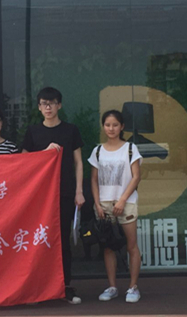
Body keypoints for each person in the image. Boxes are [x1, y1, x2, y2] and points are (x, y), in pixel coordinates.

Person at [22, 87, 85, 305]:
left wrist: (79, 191)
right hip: (40, 196)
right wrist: (44, 154)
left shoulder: (70, 130)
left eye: (52, 103)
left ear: (59, 105)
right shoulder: (33, 131)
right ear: (39, 107)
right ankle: (39, 286)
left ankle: (64, 285)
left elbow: (78, 162)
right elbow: (23, 162)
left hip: (65, 192)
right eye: (44, 103)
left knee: (63, 241)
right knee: (39, 239)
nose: (48, 107)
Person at [88, 110, 142, 303]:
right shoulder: (98, 151)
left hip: (126, 203)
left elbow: (136, 176)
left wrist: (122, 200)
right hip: (104, 203)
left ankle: (133, 287)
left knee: (131, 245)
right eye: (107, 125)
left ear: (122, 127)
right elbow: (94, 180)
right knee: (108, 246)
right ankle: (112, 287)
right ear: (103, 126)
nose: (111, 128)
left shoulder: (130, 148)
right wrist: (97, 203)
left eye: (115, 125)